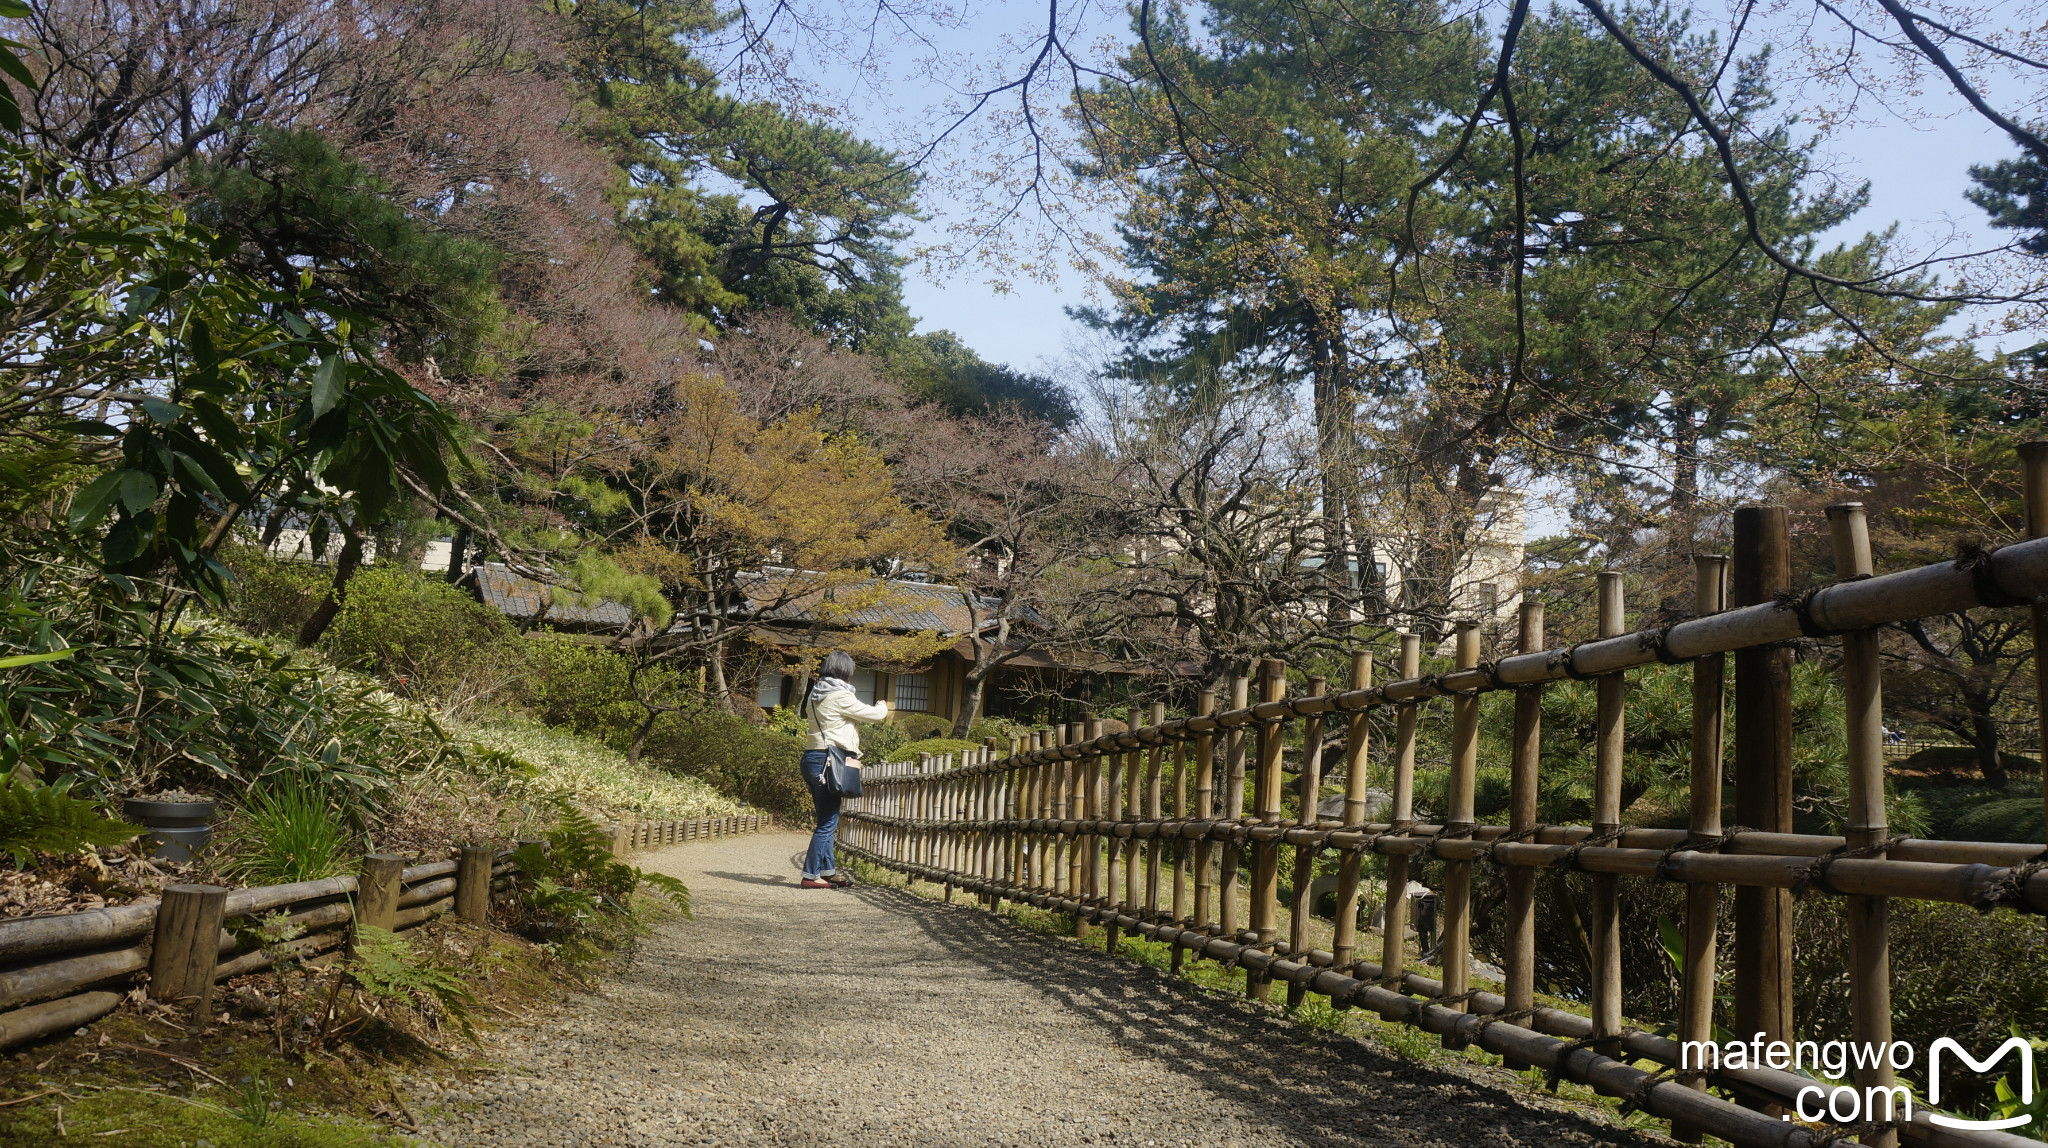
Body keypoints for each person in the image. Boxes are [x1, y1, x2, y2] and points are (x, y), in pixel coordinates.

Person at [798, 650, 889, 888]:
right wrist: (882, 705)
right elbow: (874, 715)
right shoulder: (839, 695)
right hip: (829, 760)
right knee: (827, 822)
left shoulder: (815, 694)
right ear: (845, 671)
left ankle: (827, 871)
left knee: (828, 818)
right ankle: (810, 876)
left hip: (812, 758)